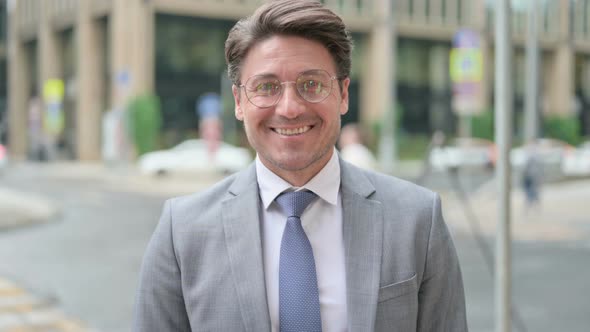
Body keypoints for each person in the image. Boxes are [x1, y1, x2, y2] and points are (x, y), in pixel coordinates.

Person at [133, 1, 467, 331]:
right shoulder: (182, 232)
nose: (290, 108)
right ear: (238, 102)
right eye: (266, 87)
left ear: (343, 94)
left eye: (312, 84)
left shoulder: (418, 219)